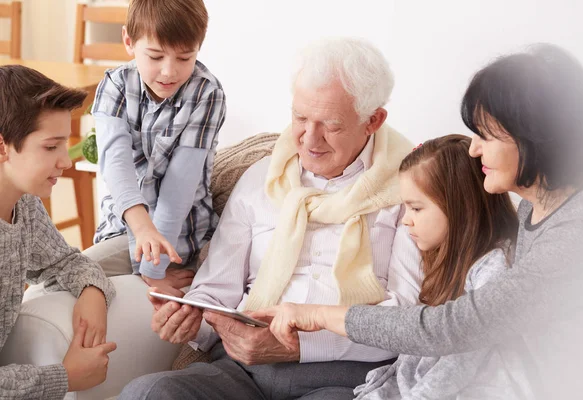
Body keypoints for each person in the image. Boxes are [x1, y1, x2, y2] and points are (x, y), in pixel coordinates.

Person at [258, 44, 583, 399]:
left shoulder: (581, 231)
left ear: (533, 137)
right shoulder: (537, 208)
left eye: (486, 135)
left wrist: (322, 315)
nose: (474, 149)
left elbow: (457, 328)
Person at [119, 37, 421, 400]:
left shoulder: (410, 191)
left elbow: (406, 319)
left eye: (331, 125)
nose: (310, 138)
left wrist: (299, 348)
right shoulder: (261, 177)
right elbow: (217, 289)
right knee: (150, 392)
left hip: (346, 380)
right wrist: (191, 319)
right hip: (241, 370)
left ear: (373, 120)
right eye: (300, 118)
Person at [84, 0, 226, 297]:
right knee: (67, 278)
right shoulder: (115, 86)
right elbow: (117, 166)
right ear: (128, 41)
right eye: (155, 56)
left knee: (86, 277)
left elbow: (179, 188)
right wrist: (142, 229)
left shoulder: (207, 93)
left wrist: (153, 270)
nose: (168, 71)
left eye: (185, 58)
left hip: (180, 238)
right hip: (124, 227)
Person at [0, 65, 117, 399]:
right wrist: (64, 378)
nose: (65, 161)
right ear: (3, 146)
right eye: (51, 147)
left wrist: (92, 290)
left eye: (64, 145)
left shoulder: (25, 206)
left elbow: (65, 262)